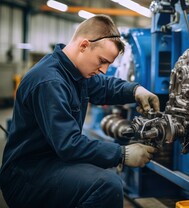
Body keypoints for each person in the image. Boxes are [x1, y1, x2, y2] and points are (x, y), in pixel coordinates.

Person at [0, 15, 159, 208]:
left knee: (102, 176)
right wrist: (121, 154)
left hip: (51, 163)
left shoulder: (74, 72)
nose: (103, 70)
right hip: (27, 176)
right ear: (83, 45)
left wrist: (135, 90)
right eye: (102, 61)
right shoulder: (50, 81)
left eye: (108, 64)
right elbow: (69, 144)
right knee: (106, 186)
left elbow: (104, 87)